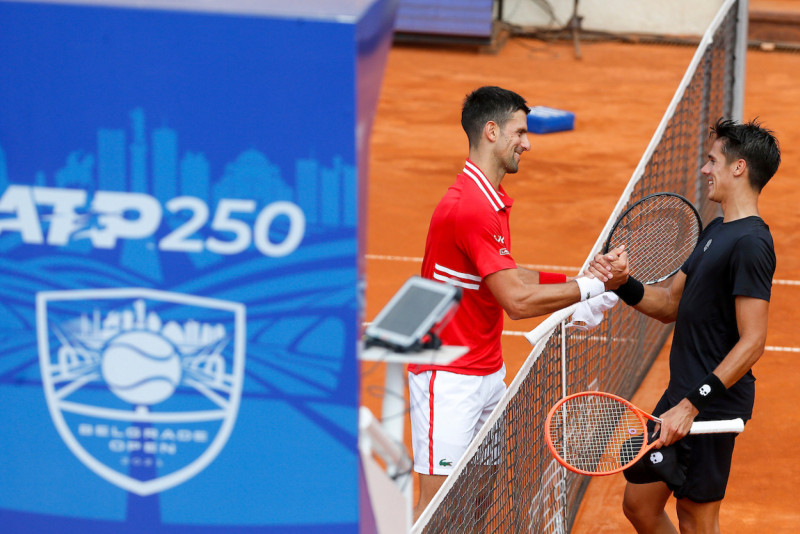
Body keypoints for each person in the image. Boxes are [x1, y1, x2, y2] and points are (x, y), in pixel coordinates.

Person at [407, 85, 628, 522]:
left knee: (478, 503)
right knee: (438, 514)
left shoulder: (488, 201)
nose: (527, 144)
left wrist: (585, 282)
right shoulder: (470, 207)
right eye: (520, 133)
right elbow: (517, 300)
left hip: (487, 374)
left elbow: (510, 275)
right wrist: (590, 289)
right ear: (491, 131)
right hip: (448, 380)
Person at [589, 118, 781, 534]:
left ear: (739, 167)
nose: (704, 169)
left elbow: (753, 342)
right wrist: (623, 283)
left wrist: (692, 406)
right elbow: (669, 305)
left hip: (711, 404)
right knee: (640, 503)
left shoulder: (751, 243)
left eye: (712, 160)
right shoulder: (716, 230)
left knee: (696, 518)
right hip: (682, 393)